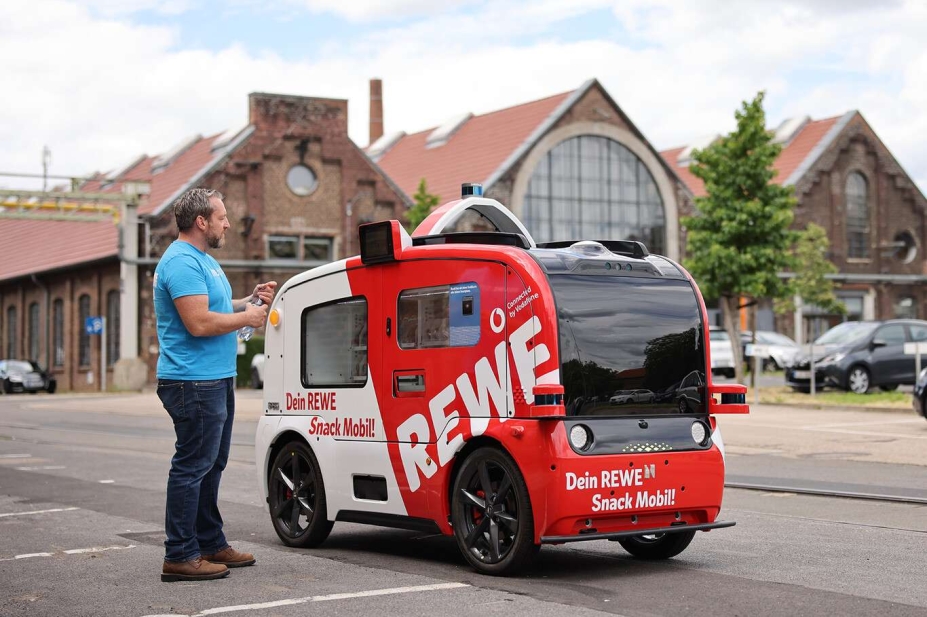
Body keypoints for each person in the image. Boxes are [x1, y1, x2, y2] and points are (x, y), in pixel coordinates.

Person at [153, 188, 276, 582]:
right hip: (193, 381)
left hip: (213, 378)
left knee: (211, 464)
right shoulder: (182, 263)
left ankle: (208, 542)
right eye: (221, 217)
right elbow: (200, 322)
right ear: (201, 221)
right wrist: (249, 319)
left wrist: (248, 301)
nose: (227, 224)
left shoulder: (203, 261)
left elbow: (217, 309)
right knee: (192, 466)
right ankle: (180, 554)